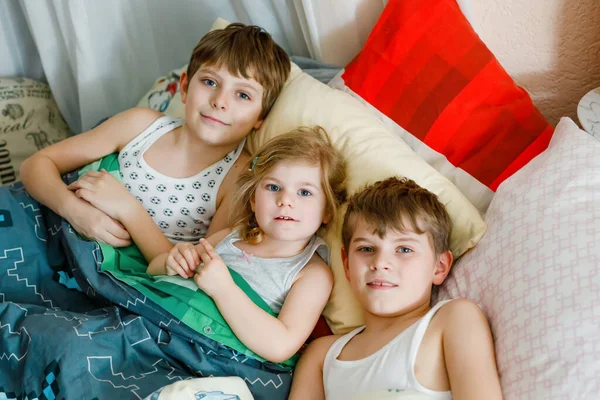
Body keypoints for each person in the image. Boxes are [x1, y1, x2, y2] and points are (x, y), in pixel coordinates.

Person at [20, 23, 291, 263]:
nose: (220, 101)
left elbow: (198, 272)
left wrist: (128, 209)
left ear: (261, 117)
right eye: (210, 82)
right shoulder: (140, 126)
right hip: (50, 232)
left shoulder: (238, 180)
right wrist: (75, 211)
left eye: (243, 95)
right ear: (184, 87)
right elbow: (36, 164)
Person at [289, 177, 503, 400]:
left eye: (404, 249)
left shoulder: (453, 320)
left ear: (439, 267)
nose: (380, 262)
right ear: (346, 264)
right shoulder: (321, 357)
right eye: (366, 248)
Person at [147, 126, 347, 365]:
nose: (285, 201)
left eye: (304, 192)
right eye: (273, 187)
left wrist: (223, 289)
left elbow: (280, 346)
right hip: (154, 317)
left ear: (327, 210)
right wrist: (172, 262)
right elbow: (152, 270)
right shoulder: (230, 237)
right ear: (253, 199)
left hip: (202, 355)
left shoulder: (311, 274)